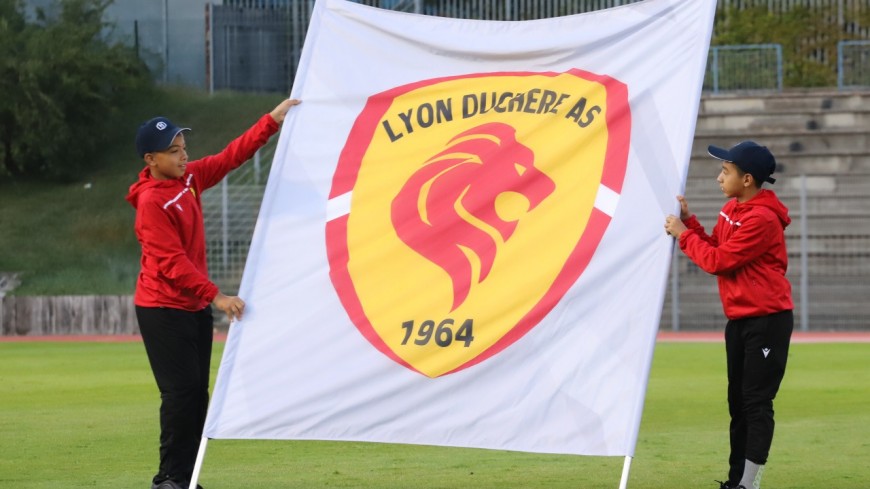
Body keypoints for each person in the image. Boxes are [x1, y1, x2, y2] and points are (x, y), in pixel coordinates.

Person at [126, 98, 300, 489]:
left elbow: (229, 157)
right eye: (174, 151)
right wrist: (216, 296)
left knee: (196, 396)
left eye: (183, 147)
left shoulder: (188, 179)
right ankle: (168, 480)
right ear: (151, 160)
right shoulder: (151, 202)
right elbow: (171, 262)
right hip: (162, 308)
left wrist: (270, 121)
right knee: (180, 395)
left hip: (192, 307)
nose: (184, 156)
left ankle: (184, 480)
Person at [663, 141, 794, 489]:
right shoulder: (731, 209)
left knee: (756, 402)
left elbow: (717, 262)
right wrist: (690, 223)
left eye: (725, 171)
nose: (719, 177)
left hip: (767, 321)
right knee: (738, 403)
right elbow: (717, 248)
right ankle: (737, 481)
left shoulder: (762, 219)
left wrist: (683, 235)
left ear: (747, 179)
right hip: (739, 320)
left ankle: (749, 484)